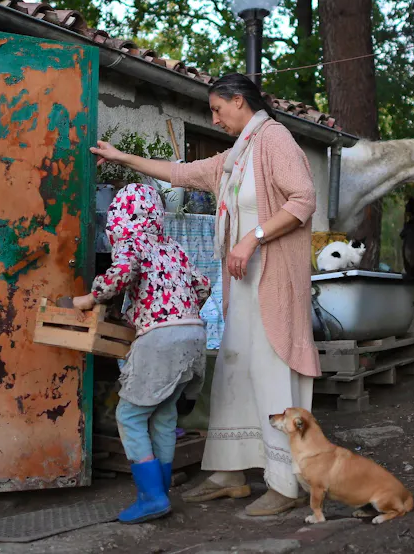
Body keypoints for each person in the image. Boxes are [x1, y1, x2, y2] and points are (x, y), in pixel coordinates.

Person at [91, 73, 321, 517]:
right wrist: (121, 156)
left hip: (273, 284)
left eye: (218, 109)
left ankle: (284, 483)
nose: (214, 119)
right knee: (234, 375)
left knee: (272, 373)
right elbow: (181, 172)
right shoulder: (237, 156)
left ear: (239, 101)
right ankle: (230, 473)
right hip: (245, 286)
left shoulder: (275, 140)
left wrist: (251, 237)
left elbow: (304, 198)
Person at [72, 183, 211, 524]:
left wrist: (91, 299)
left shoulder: (132, 243)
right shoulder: (173, 248)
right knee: (164, 416)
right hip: (194, 336)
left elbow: (120, 275)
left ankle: (150, 497)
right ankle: (161, 490)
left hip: (161, 341)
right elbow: (203, 285)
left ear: (119, 219)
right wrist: (179, 314)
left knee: (130, 416)